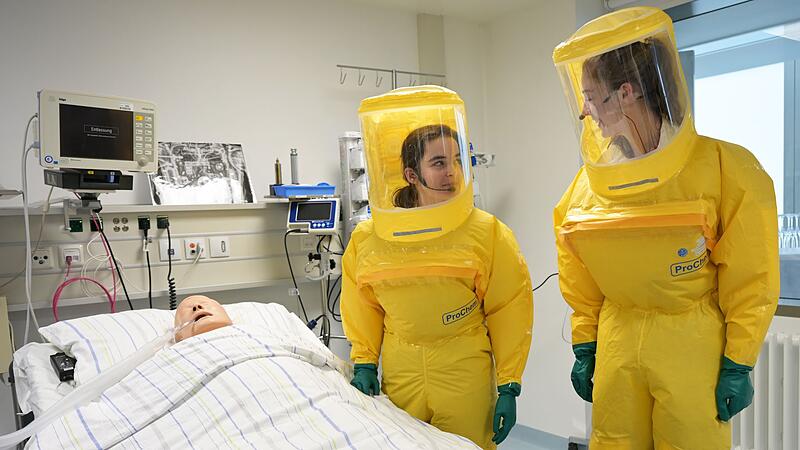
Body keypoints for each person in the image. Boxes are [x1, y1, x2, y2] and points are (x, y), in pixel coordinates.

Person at [551, 7, 779, 449]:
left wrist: (738, 361)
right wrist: (585, 343)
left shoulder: (723, 169)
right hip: (617, 339)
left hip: (689, 341)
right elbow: (577, 273)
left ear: (626, 92)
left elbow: (753, 274)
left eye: (592, 96)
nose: (586, 112)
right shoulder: (587, 188)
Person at [342, 86, 533, 450]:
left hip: (463, 368)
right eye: (440, 163)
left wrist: (509, 383)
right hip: (401, 370)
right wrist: (364, 361)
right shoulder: (370, 238)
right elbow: (362, 303)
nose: (452, 173)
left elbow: (508, 306)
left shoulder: (486, 232)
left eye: (458, 160)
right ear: (412, 175)